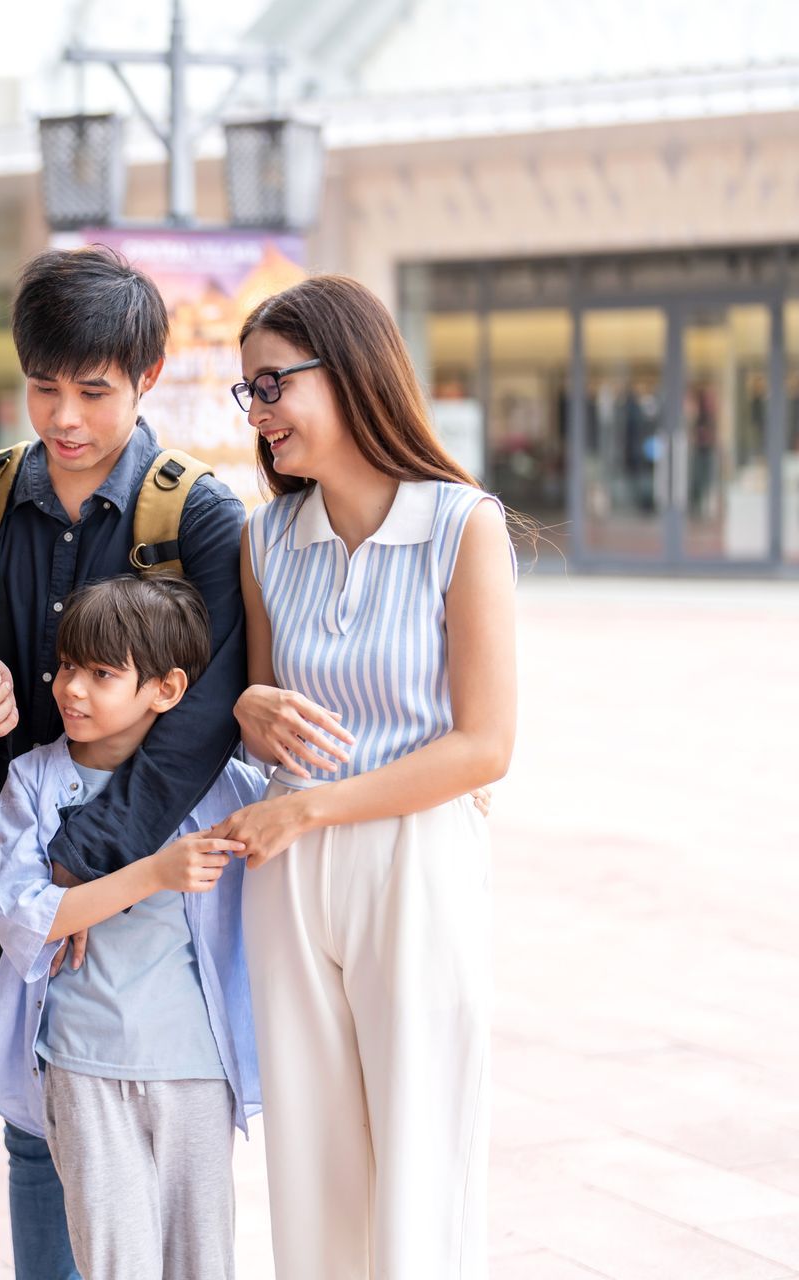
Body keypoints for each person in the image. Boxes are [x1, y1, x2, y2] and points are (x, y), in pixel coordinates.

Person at [0, 245, 247, 1278]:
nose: (63, 415)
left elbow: (203, 717)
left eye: (93, 390)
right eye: (43, 386)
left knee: (179, 1120)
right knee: (40, 1123)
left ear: (147, 377)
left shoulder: (200, 515)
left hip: (161, 873)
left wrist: (89, 858)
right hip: (17, 854)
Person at [219, 273, 516, 1278]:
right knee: (311, 1167)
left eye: (272, 385)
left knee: (423, 1156)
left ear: (347, 370)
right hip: (288, 873)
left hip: (415, 857)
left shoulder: (462, 525)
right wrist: (246, 709)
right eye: (247, 394)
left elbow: (485, 745)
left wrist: (317, 804)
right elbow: (263, 711)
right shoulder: (265, 541)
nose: (258, 414)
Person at [0, 574, 263, 1280]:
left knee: (201, 1261)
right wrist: (153, 873)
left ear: (166, 690)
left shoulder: (223, 785)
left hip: (194, 1066)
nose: (72, 689)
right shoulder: (33, 782)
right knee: (111, 1262)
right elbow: (26, 919)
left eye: (103, 674)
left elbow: (304, 824)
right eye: (69, 666)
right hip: (82, 1062)